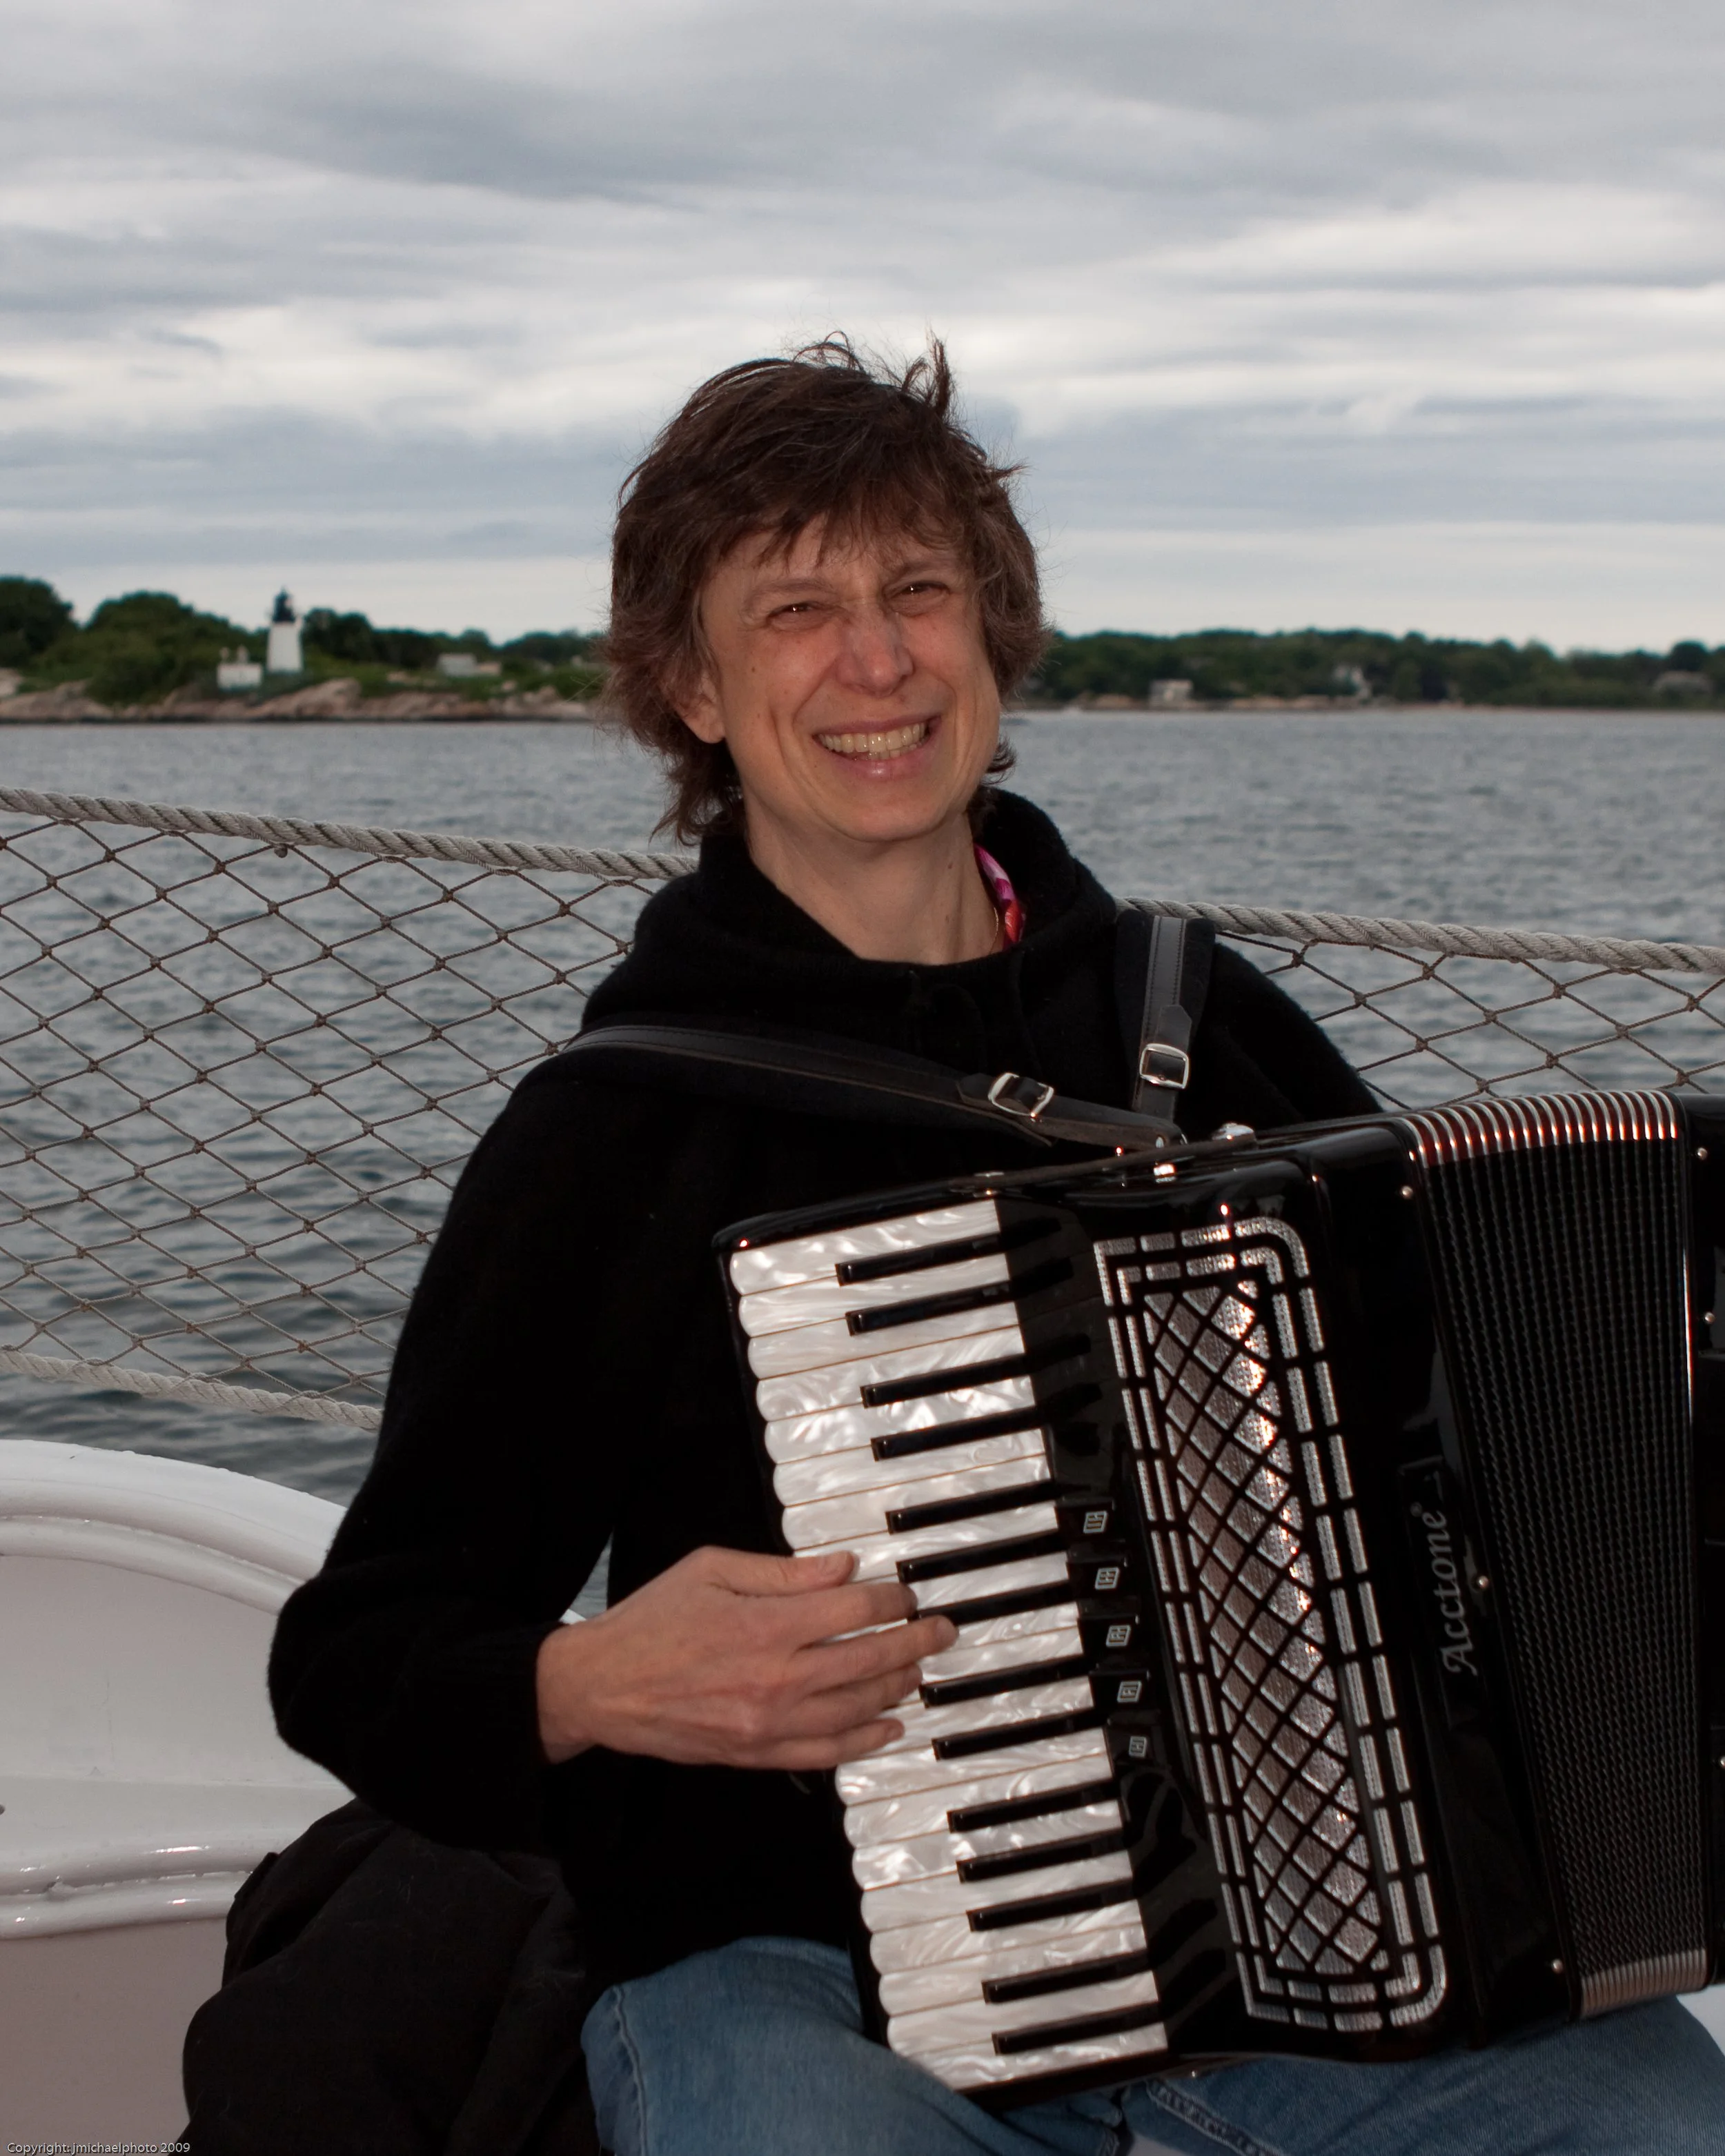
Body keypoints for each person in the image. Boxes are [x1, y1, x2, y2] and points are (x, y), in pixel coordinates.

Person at [268, 339, 1725, 2156]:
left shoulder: (1193, 1026)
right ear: (691, 687)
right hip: (793, 1964)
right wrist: (584, 1680)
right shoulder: (615, 1129)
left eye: (917, 591)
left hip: (1316, 1965)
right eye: (794, 609)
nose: (875, 662)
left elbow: (1472, 1449)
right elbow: (357, 1652)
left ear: (995, 632)